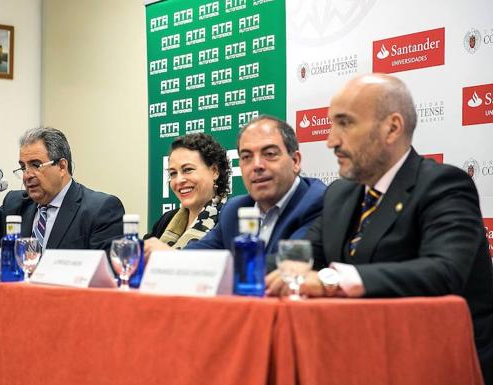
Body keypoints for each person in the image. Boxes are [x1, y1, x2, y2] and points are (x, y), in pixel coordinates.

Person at [285, 73, 492, 384]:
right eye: (330, 125)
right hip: (357, 358)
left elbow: (444, 272)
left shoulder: (443, 185)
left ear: (392, 127)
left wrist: (332, 280)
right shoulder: (340, 194)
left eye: (346, 123)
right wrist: (269, 271)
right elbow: (304, 256)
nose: (331, 141)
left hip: (437, 364)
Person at [185, 115, 326, 278]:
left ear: (295, 161)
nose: (257, 165)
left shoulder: (317, 202)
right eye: (246, 157)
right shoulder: (234, 209)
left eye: (270, 154)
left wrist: (206, 267)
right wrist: (166, 257)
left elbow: (289, 264)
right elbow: (198, 254)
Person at [143, 133, 231, 258]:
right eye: (173, 173)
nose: (179, 180)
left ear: (214, 171)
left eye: (188, 170)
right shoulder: (166, 220)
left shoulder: (229, 218)